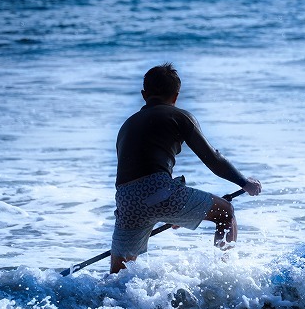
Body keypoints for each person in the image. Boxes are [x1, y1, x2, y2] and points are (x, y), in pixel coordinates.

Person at [110, 63, 262, 273]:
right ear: (175, 97)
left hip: (126, 200)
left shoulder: (126, 126)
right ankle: (225, 278)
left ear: (144, 95)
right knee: (225, 213)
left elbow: (137, 174)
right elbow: (213, 158)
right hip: (159, 191)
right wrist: (244, 183)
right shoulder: (179, 116)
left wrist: (172, 211)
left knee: (120, 273)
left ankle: (108, 301)